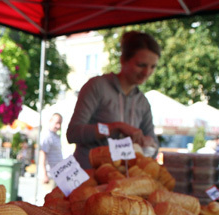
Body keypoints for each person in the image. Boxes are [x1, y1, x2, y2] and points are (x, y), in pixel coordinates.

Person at [66, 31, 160, 169]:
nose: (147, 72)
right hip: (87, 178)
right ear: (123, 60)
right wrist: (114, 127)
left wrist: (148, 144)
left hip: (122, 182)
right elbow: (73, 133)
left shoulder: (143, 103)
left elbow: (154, 146)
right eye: (141, 65)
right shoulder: (97, 86)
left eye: (153, 67)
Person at [39, 113, 64, 186]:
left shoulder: (55, 136)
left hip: (57, 175)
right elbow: (42, 156)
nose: (58, 126)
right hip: (50, 176)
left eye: (60, 123)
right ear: (50, 121)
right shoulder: (47, 136)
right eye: (57, 123)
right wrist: (44, 175)